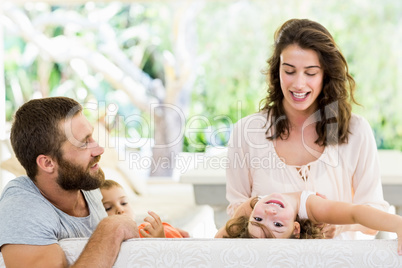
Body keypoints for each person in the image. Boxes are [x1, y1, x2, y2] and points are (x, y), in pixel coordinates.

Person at [225, 18, 389, 240]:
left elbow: (374, 216)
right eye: (289, 71)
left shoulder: (355, 131)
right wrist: (269, 204)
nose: (299, 84)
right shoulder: (247, 132)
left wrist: (341, 226)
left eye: (310, 73)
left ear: (326, 75)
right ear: (276, 72)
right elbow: (235, 216)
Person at [0, 97, 139, 267]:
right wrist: (112, 228)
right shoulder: (20, 208)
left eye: (92, 137)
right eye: (83, 143)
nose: (99, 149)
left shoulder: (86, 184)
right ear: (47, 163)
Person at [216, 191, 402, 255]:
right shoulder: (313, 207)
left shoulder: (251, 208)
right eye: (278, 225)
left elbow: (215, 245)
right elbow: (355, 213)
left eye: (257, 220)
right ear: (295, 228)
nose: (269, 212)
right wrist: (396, 224)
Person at [100, 179, 188, 238]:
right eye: (108, 208)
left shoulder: (147, 229)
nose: (120, 209)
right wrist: (161, 242)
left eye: (124, 203)